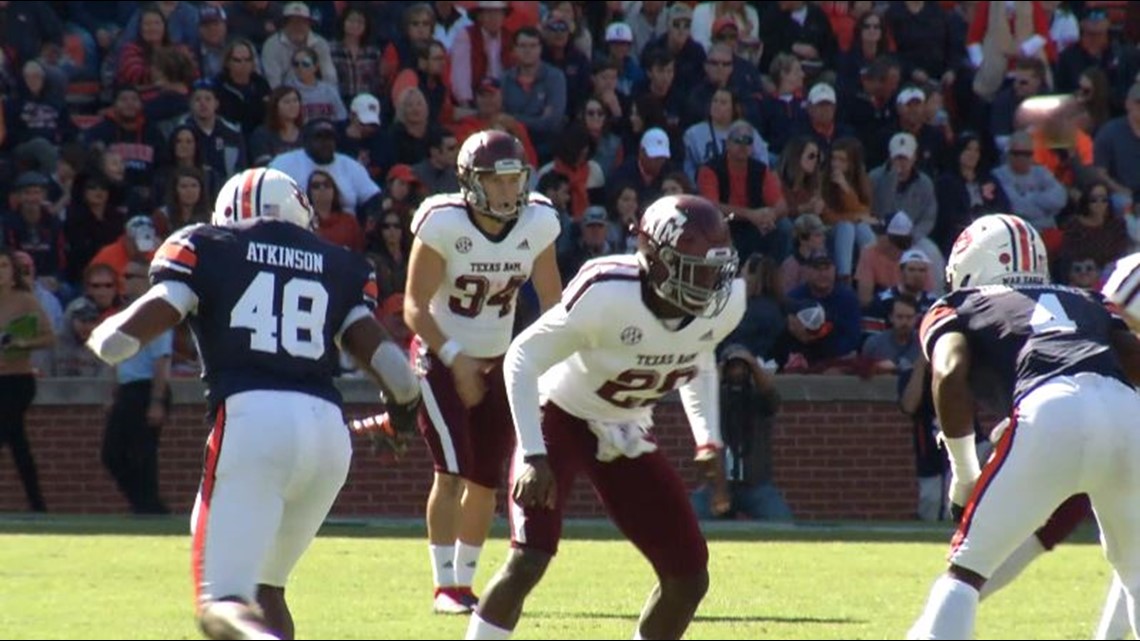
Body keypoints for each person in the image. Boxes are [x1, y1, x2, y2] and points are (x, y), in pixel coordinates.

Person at [84, 168, 422, 641]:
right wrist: (400, 423)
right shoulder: (339, 264)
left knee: (220, 602)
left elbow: (121, 341)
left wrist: (101, 337)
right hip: (327, 433)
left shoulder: (209, 246)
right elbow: (401, 379)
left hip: (252, 421)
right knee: (267, 589)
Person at [468, 194, 745, 640]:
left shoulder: (728, 301)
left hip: (625, 426)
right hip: (559, 413)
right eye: (697, 271)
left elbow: (699, 355)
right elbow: (521, 356)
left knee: (688, 577)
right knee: (530, 556)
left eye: (716, 269)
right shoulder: (608, 291)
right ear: (656, 262)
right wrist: (535, 454)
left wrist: (707, 438)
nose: (712, 283)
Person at [907, 214, 1140, 640]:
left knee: (966, 572)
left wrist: (964, 474)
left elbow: (950, 371)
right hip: (1127, 411)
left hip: (1050, 408)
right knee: (1138, 574)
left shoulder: (958, 303)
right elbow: (1133, 359)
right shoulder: (1088, 298)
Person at [403, 129, 563, 614]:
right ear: (472, 182)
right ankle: (443, 586)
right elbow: (414, 308)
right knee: (450, 471)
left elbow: (553, 302)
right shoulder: (443, 222)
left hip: (498, 359)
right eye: (498, 180)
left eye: (515, 179)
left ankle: (465, 586)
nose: (509, 191)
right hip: (439, 356)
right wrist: (456, 358)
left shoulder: (538, 221)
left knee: (485, 479)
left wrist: (542, 360)